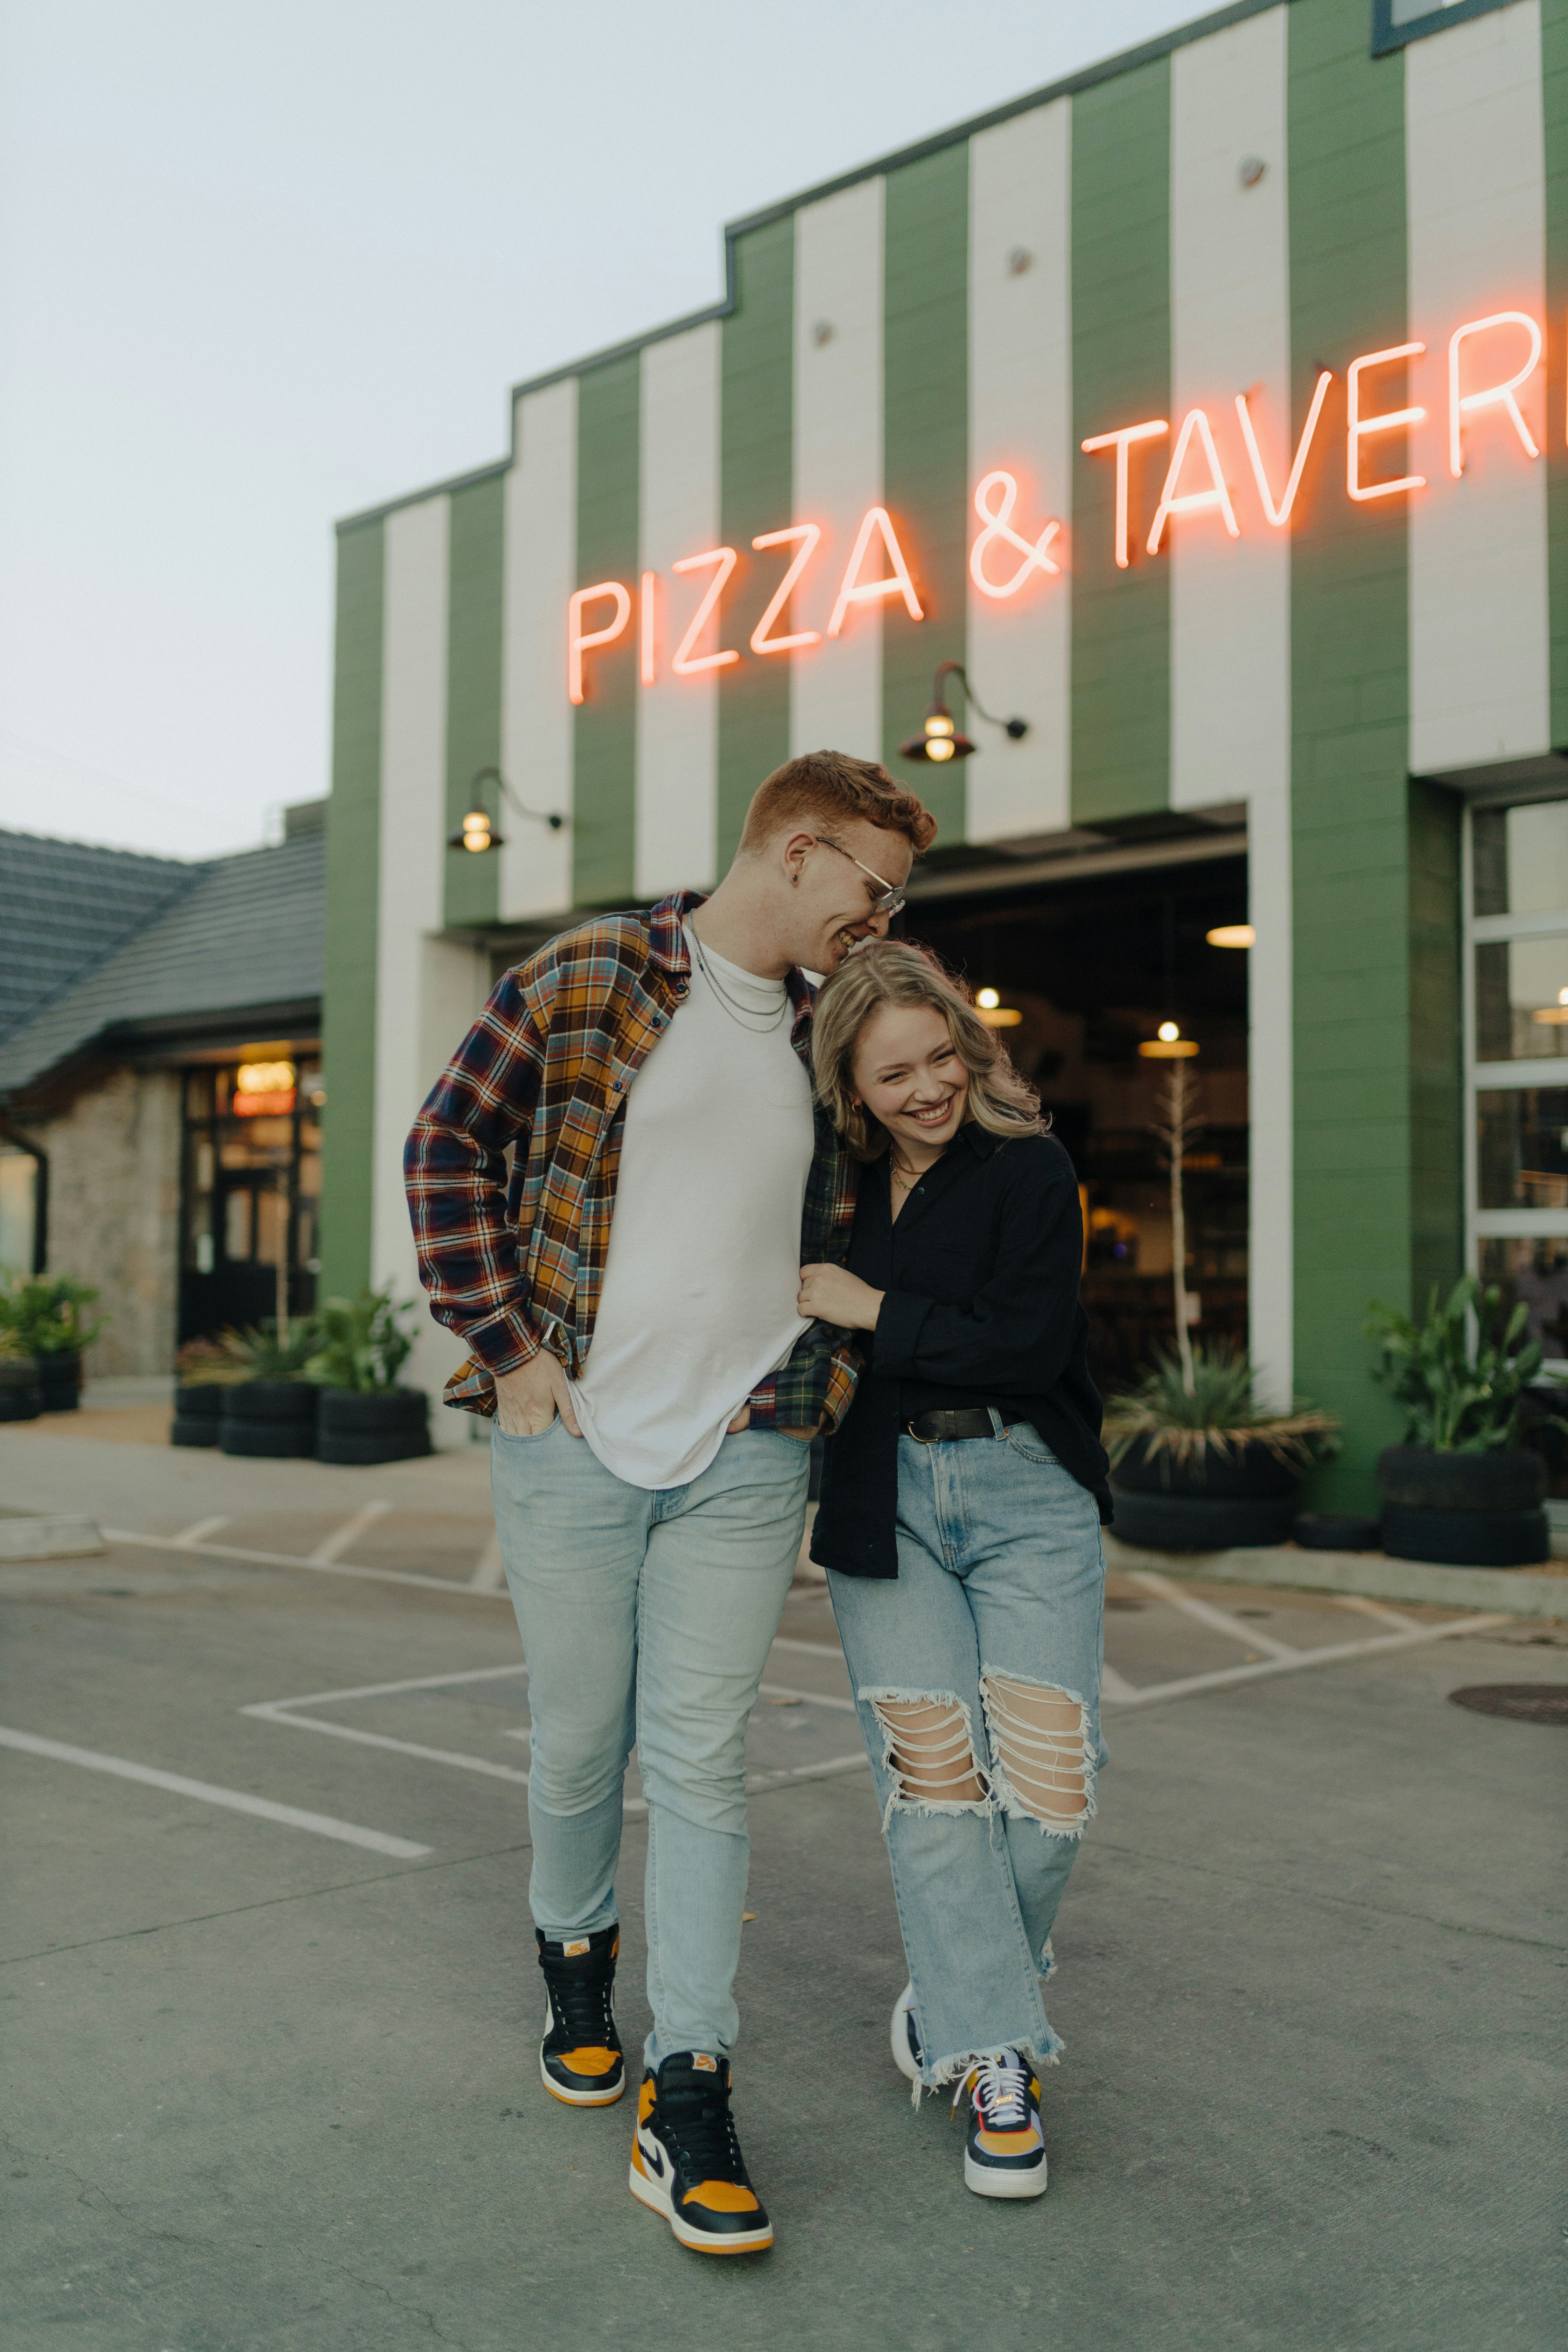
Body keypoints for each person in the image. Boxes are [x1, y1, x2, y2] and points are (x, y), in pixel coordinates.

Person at [405, 752, 936, 2256]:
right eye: (874, 886)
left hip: (752, 1437)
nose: (882, 915)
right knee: (581, 1736)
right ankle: (576, 1953)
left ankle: (688, 2087)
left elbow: (915, 1157)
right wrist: (505, 1348)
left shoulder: (837, 1037)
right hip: (571, 1430)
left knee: (704, 1764)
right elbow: (445, 1143)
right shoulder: (594, 973)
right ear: (800, 847)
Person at [797, 939, 1111, 2203]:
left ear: (970, 1052)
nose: (925, 1089)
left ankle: (958, 1984)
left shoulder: (1031, 1168)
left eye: (941, 1058)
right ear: (852, 1089)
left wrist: (871, 1310)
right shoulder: (835, 1192)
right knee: (935, 1779)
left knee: (1049, 1793)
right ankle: (996, 2062)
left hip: (1027, 1488)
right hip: (886, 1499)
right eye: (893, 1075)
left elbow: (1026, 1344)